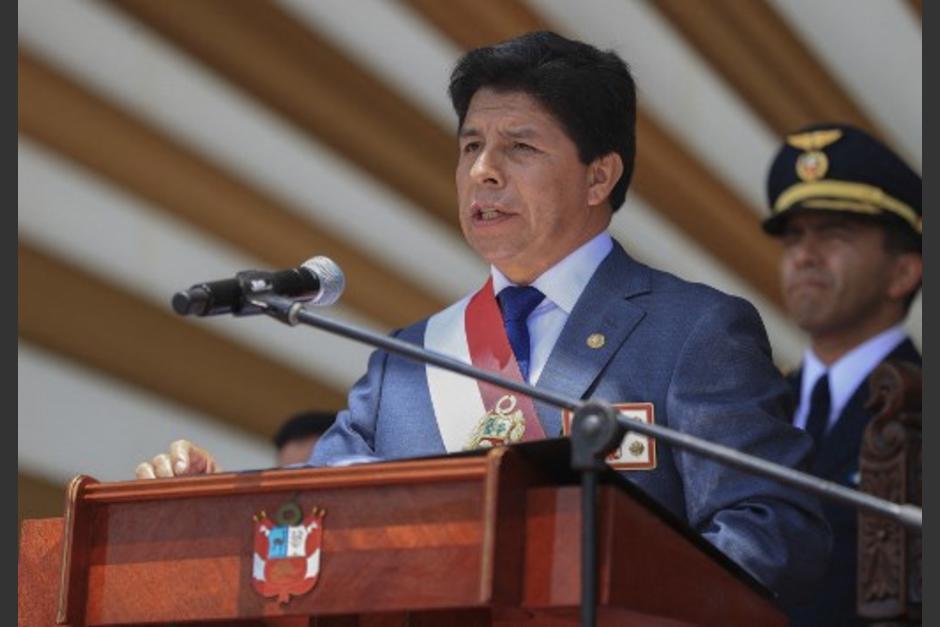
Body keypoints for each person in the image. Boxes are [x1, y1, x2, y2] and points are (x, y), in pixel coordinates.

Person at [137, 31, 830, 604]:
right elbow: (322, 526)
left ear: (600, 175)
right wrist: (214, 500)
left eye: (519, 147)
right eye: (471, 146)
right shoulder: (404, 365)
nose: (482, 172)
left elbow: (775, 533)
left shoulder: (694, 331)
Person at [762, 123, 922, 626]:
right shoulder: (755, 405)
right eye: (794, 236)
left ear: (904, 273)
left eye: (835, 233)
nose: (805, 255)